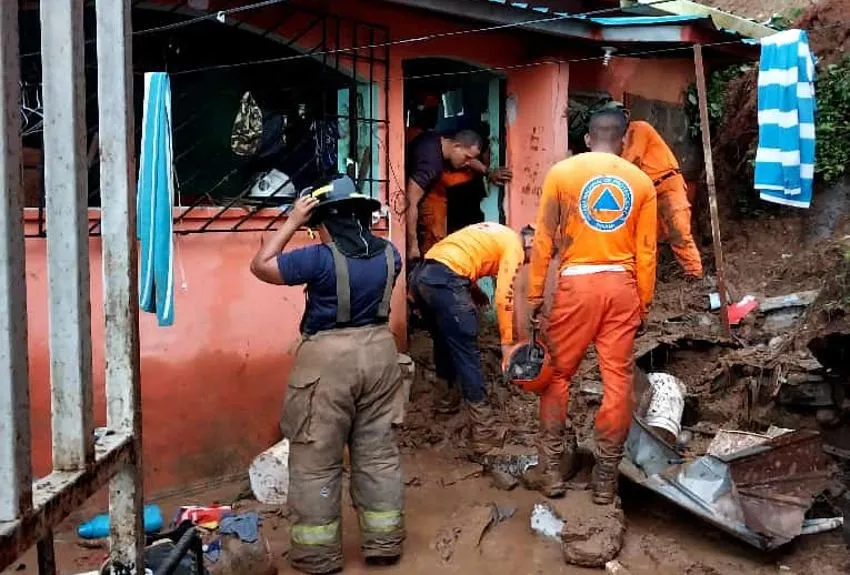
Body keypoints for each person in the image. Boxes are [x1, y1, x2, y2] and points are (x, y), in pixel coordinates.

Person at [250, 175, 405, 574]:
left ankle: (318, 554)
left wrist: (290, 222)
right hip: (382, 354)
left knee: (315, 458)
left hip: (327, 361)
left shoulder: (318, 259)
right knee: (378, 454)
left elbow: (261, 266)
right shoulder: (391, 254)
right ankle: (384, 541)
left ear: (325, 221)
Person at [526, 109, 657, 503]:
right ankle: (604, 481)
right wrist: (643, 305)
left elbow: (544, 240)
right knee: (617, 382)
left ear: (587, 139)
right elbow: (647, 253)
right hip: (622, 286)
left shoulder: (562, 174)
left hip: (576, 286)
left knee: (557, 376)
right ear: (623, 142)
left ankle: (551, 474)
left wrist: (535, 295)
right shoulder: (641, 182)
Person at [408, 222, 534, 457]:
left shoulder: (498, 232)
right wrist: (507, 344)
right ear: (532, 242)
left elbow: (461, 254)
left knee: (445, 343)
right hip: (445, 280)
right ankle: (484, 435)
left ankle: (444, 406)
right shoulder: (514, 246)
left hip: (422, 277)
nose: (533, 262)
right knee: (467, 351)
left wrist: (473, 288)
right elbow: (504, 297)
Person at [607, 102, 703, 279]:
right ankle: (649, 276)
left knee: (679, 231)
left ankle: (694, 274)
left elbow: (632, 160)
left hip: (667, 185)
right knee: (650, 238)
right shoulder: (618, 141)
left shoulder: (639, 129)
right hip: (648, 192)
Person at [406, 123, 511, 260]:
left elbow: (470, 159)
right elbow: (410, 203)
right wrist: (412, 246)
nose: (468, 163)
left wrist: (488, 172)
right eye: (467, 158)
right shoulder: (430, 165)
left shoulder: (440, 140)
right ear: (456, 146)